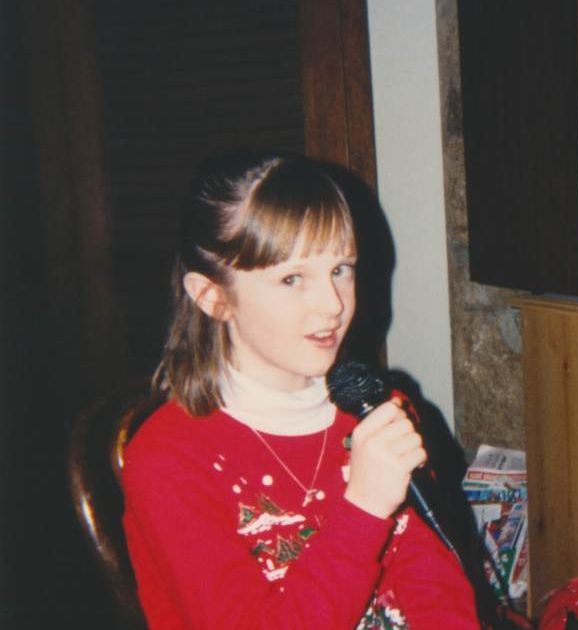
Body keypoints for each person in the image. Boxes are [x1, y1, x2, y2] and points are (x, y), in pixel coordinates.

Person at [121, 152, 479, 629]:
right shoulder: (168, 458)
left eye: (341, 269)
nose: (332, 305)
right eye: (292, 279)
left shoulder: (375, 412)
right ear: (213, 297)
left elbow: (435, 584)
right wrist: (364, 508)